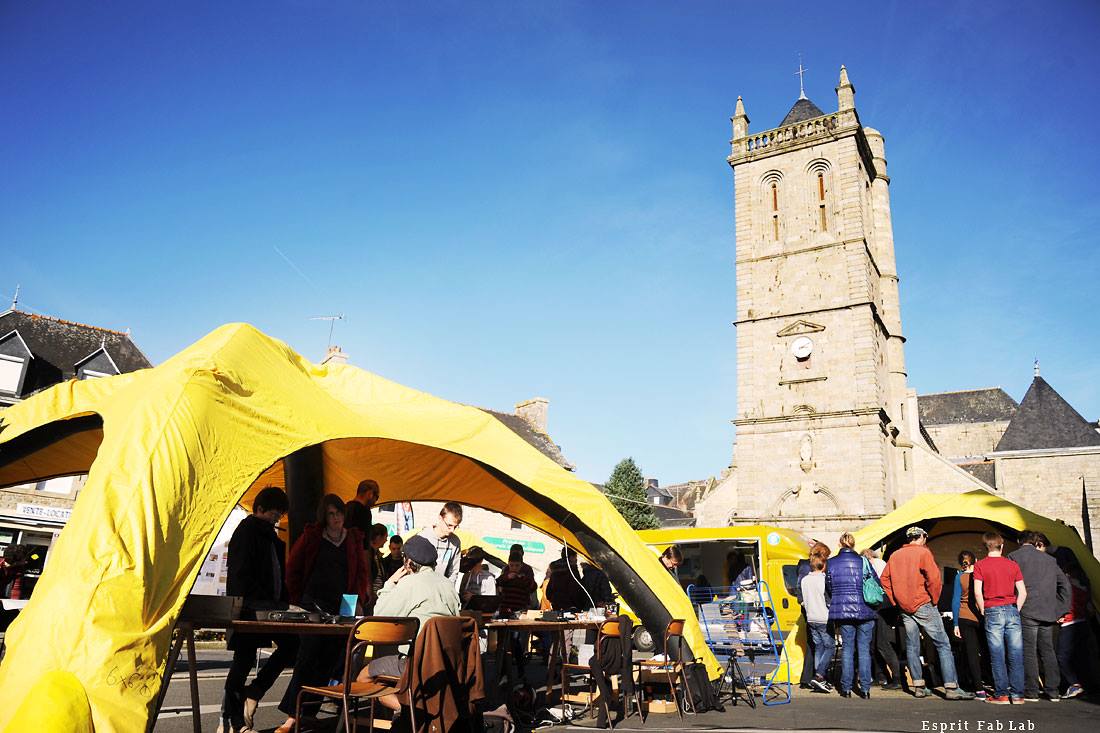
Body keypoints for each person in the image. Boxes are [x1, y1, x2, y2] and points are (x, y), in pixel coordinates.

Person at [275, 494, 372, 733]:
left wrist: (360, 599)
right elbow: (293, 569)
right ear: (324, 516)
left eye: (339, 513)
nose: (336, 518)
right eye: (331, 514)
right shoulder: (312, 536)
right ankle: (292, 715)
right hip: (313, 606)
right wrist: (299, 600)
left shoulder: (353, 539)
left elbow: (361, 573)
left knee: (329, 661)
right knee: (307, 658)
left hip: (343, 608)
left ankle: (308, 713)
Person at [219, 486, 298, 733]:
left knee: (291, 646)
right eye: (274, 515)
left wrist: (282, 602)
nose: (276, 520)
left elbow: (278, 577)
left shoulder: (272, 538)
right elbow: (241, 576)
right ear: (260, 509)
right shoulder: (247, 532)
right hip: (249, 609)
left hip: (269, 608)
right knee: (242, 663)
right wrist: (267, 602)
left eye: (279, 516)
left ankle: (253, 693)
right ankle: (234, 722)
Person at [357, 534, 462, 711]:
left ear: (408, 563)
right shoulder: (448, 586)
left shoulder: (410, 583)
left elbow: (380, 615)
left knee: (364, 677)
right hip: (446, 665)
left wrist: (390, 583)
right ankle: (416, 709)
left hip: (415, 663)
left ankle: (411, 710)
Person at [880, 526, 974, 699]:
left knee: (912, 646)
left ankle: (918, 686)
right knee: (943, 644)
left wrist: (896, 600)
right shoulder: (923, 553)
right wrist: (934, 599)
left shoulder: (894, 556)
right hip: (923, 603)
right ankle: (951, 687)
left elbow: (884, 579)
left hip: (905, 607)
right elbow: (934, 578)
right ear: (922, 537)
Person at [1008, 530, 1071, 701]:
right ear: (1035, 542)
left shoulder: (1013, 557)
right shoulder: (1050, 560)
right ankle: (1053, 691)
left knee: (1029, 651)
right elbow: (1065, 585)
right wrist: (1061, 608)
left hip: (1027, 609)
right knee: (1048, 650)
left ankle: (1032, 690)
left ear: (1019, 541)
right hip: (1048, 611)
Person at [974, 531, 1027, 705]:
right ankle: (1018, 695)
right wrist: (1015, 608)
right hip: (1012, 609)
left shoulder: (980, 566)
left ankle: (1002, 694)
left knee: (997, 654)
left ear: (985, 547)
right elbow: (1023, 592)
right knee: (1016, 653)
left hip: (992, 609)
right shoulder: (1012, 565)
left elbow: (977, 591)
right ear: (1001, 546)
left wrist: (983, 608)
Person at [826, 532, 877, 698]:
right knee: (863, 650)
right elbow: (875, 582)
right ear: (854, 544)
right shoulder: (864, 561)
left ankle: (846, 688)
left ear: (840, 544)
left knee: (847, 649)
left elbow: (829, 586)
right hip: (865, 611)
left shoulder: (831, 563)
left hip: (844, 611)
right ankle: (865, 689)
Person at [863, 548, 901, 689]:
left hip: (880, 607)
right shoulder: (882, 563)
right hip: (885, 607)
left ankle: (895, 678)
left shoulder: (874, 564)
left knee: (881, 644)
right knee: (876, 644)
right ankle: (882, 676)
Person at [1056, 554, 1092, 699]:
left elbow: (1064, 604)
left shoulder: (1067, 586)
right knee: (1081, 656)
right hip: (1083, 623)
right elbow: (1089, 608)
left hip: (1069, 624)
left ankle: (1074, 684)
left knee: (1062, 656)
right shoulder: (1084, 587)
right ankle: (1086, 684)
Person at [952, 550, 987, 698]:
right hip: (982, 616)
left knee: (971, 653)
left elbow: (955, 600)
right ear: (976, 560)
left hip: (964, 617)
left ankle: (978, 688)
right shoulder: (981, 575)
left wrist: (955, 623)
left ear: (961, 563)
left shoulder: (959, 577)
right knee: (986, 651)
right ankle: (990, 680)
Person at [797, 542, 832, 689]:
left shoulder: (805, 580)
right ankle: (819, 674)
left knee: (818, 648)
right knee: (830, 647)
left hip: (811, 618)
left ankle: (819, 679)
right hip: (824, 617)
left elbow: (802, 599)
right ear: (823, 565)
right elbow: (828, 600)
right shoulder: (824, 580)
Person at [417, 502, 463, 578]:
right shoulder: (423, 536)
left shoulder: (455, 542)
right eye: (449, 525)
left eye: (455, 527)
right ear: (440, 518)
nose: (452, 530)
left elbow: (453, 572)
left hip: (442, 587)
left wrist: (448, 589)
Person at [344, 479, 380, 551]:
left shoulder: (345, 507)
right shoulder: (365, 512)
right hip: (357, 556)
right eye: (377, 497)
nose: (375, 502)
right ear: (370, 494)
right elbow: (364, 544)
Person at [369, 523, 389, 599]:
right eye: (385, 537)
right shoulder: (369, 555)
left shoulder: (377, 555)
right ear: (378, 537)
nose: (386, 540)